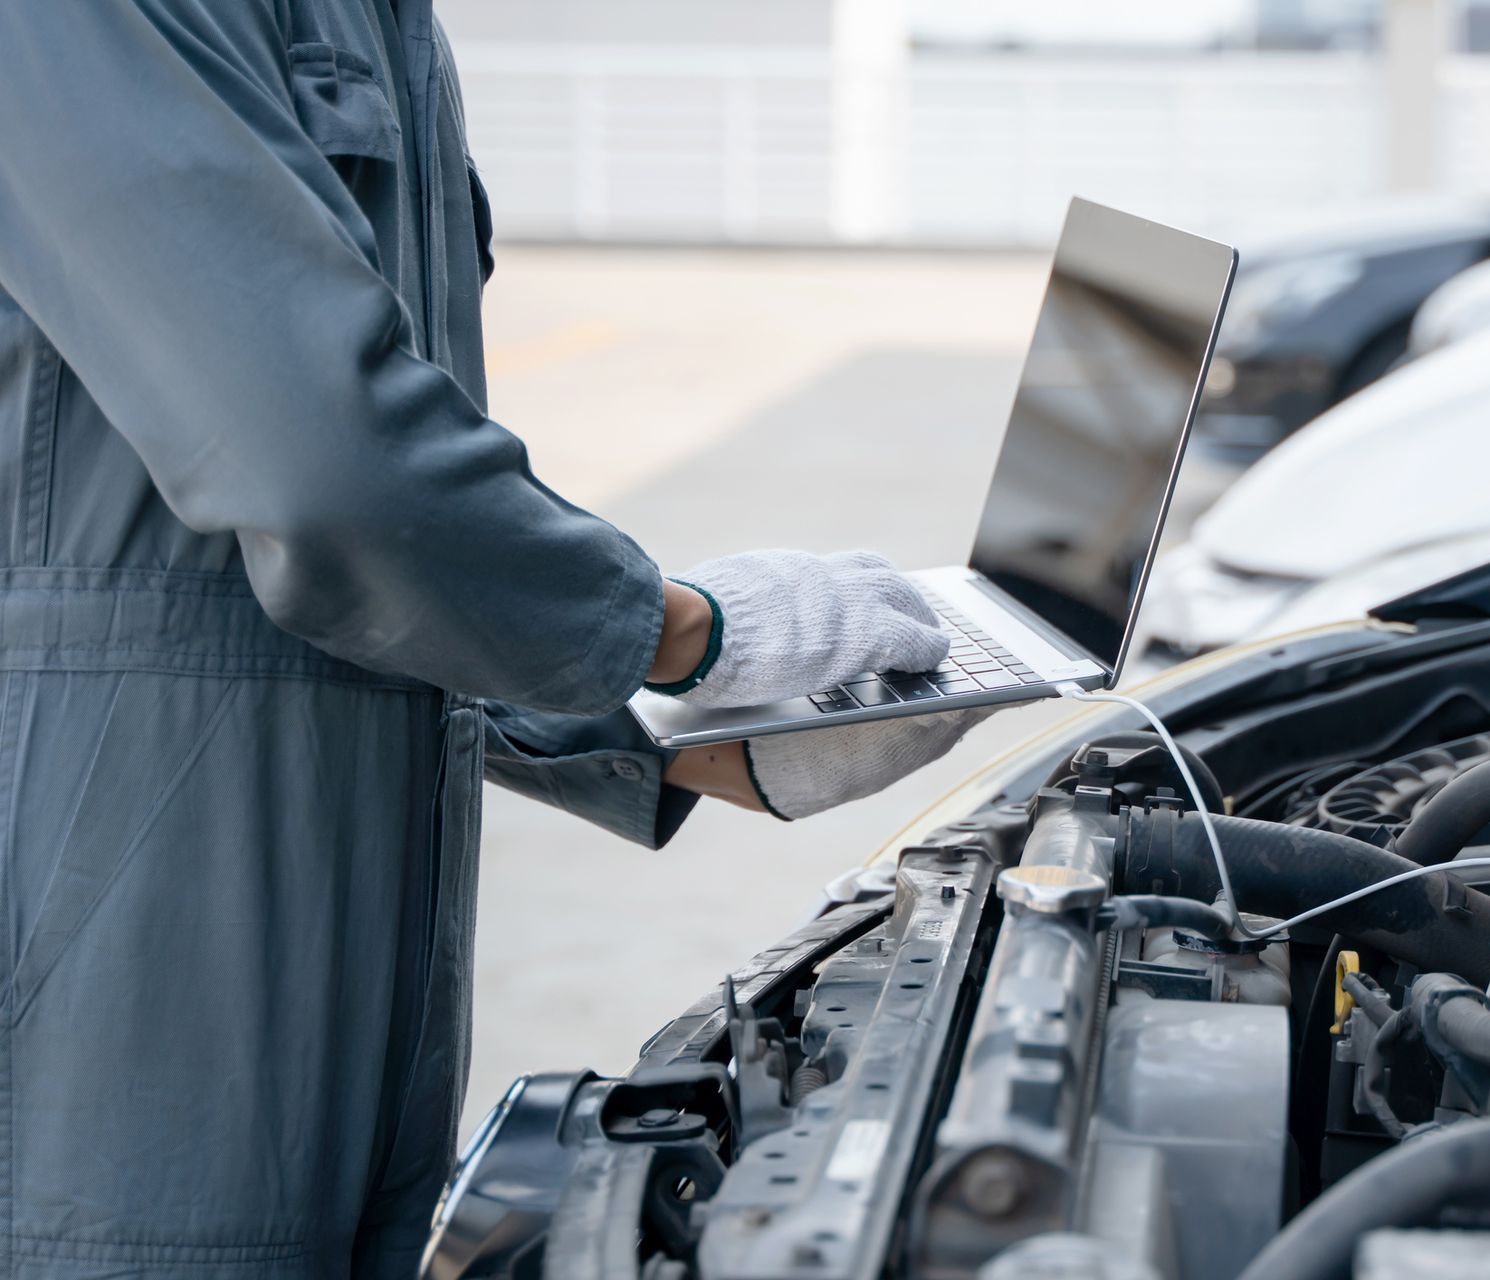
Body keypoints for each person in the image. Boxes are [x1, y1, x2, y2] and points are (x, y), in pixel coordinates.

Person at [0, 3, 988, 1275]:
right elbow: (329, 472)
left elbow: (278, 567)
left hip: (344, 964)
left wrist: (664, 735)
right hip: (119, 957)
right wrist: (681, 632)